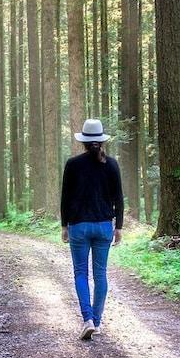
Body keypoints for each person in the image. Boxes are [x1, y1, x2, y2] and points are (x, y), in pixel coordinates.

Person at [59, 118, 124, 340]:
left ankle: (87, 319)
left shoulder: (73, 164)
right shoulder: (112, 164)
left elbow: (65, 198)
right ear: (101, 141)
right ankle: (96, 322)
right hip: (104, 226)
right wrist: (119, 228)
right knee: (100, 274)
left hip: (78, 226)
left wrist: (64, 225)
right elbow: (119, 200)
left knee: (80, 273)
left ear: (84, 142)